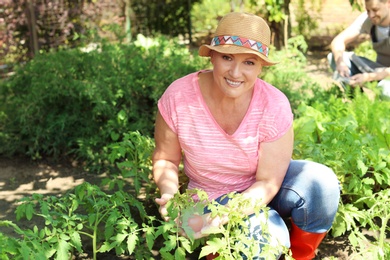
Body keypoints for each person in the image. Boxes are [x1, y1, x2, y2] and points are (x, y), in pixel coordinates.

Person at [153, 12, 340, 260]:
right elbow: (165, 159)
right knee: (269, 238)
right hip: (208, 199)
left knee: (321, 183)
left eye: (249, 62)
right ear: (212, 56)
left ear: (261, 67)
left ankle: (300, 256)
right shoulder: (179, 97)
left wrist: (214, 222)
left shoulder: (273, 105)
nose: (236, 73)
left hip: (261, 191)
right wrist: (170, 195)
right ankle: (222, 249)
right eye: (227, 58)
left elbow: (268, 182)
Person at [328, 0, 390, 99]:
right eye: (368, 10)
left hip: (386, 76)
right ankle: (358, 103)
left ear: (388, 3)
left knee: (386, 91)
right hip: (377, 69)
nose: (371, 15)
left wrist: (369, 77)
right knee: (334, 57)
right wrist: (340, 63)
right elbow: (338, 41)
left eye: (375, 10)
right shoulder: (367, 20)